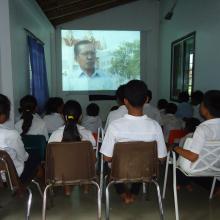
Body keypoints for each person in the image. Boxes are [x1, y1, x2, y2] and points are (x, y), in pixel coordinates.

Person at [100, 80, 167, 204]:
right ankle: (134, 193)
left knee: (110, 165)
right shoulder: (155, 126)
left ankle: (123, 193)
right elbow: (162, 158)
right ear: (146, 99)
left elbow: (107, 157)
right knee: (140, 164)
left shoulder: (115, 126)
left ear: (125, 101)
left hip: (119, 171)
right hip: (146, 171)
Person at [172, 90, 220, 192]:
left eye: (202, 103)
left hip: (199, 167)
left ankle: (181, 183)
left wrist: (175, 147)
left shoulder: (202, 128)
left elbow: (192, 157)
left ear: (207, 109)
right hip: (216, 166)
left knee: (175, 153)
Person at [48, 100, 96, 195]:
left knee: (64, 161)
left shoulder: (55, 135)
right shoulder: (87, 134)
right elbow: (93, 158)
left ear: (62, 116)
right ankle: (86, 188)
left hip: (60, 174)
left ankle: (67, 189)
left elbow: (50, 159)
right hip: (84, 172)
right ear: (81, 116)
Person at [0, 94, 40, 184]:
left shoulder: (14, 129)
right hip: (10, 176)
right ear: (4, 114)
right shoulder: (11, 134)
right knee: (34, 155)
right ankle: (21, 187)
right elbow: (23, 157)